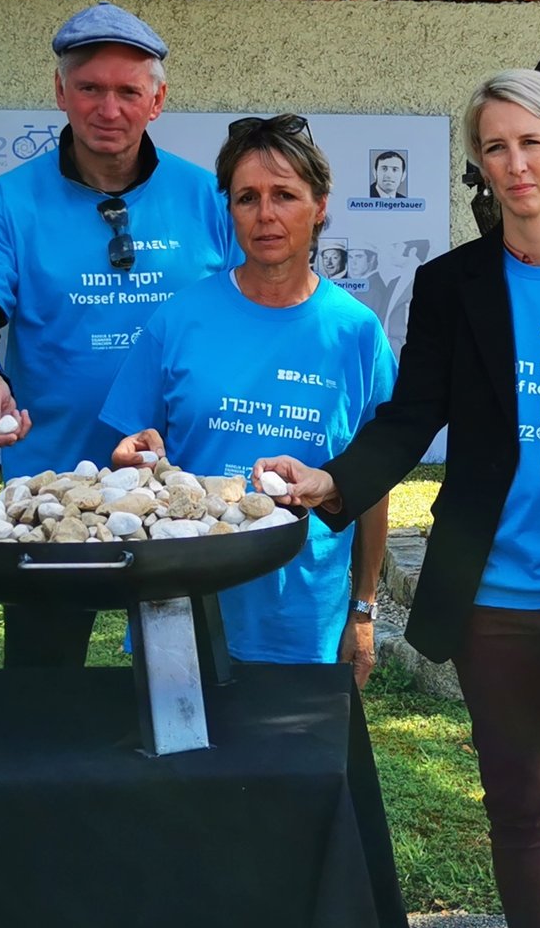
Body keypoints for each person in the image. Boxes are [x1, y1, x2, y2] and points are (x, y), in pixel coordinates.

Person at [260, 70, 540, 928]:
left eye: (531, 142)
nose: (515, 163)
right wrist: (333, 479)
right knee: (518, 815)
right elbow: (410, 417)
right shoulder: (451, 284)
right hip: (490, 599)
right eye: (494, 147)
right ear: (479, 163)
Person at [0, 2, 235, 668]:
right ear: (59, 91)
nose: (109, 108)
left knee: (181, 679)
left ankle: (174, 775)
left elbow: (249, 310)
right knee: (43, 683)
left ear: (157, 100)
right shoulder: (11, 199)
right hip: (52, 479)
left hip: (179, 478)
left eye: (129, 91)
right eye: (90, 88)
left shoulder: (207, 197)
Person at [99, 115, 395, 684]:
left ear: (320, 205)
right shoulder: (179, 320)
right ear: (228, 209)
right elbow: (131, 451)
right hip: (183, 606)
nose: (265, 215)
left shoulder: (357, 332)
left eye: (285, 195)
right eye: (247, 197)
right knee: (174, 769)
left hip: (305, 618)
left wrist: (363, 610)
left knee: (299, 772)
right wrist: (134, 458)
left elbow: (374, 481)